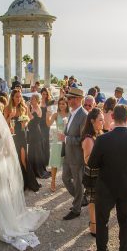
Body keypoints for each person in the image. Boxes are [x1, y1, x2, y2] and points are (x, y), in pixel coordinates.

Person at [0, 106, 49, 250]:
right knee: (2, 193)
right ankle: (5, 224)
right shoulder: (2, 132)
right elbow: (8, 152)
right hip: (0, 166)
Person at [88, 105, 127, 251]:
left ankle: (102, 249)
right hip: (126, 187)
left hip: (105, 187)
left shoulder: (102, 139)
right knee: (125, 221)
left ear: (113, 117)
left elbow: (92, 164)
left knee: (102, 221)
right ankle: (124, 249)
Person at [58, 88, 88, 220]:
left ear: (77, 99)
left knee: (78, 182)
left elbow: (83, 139)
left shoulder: (84, 115)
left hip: (77, 156)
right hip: (68, 154)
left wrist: (65, 138)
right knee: (65, 179)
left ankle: (76, 209)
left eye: (69, 98)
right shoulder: (72, 113)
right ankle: (80, 199)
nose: (67, 100)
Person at [4, 89, 41, 191]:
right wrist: (10, 117)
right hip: (12, 136)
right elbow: (2, 124)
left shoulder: (23, 107)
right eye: (17, 96)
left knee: (24, 158)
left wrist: (25, 123)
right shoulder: (7, 108)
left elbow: (29, 118)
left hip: (22, 134)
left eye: (20, 96)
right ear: (12, 97)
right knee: (15, 159)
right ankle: (17, 183)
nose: (19, 98)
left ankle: (28, 182)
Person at [81, 108, 104, 237]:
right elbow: (87, 160)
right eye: (100, 120)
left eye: (103, 119)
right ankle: (93, 226)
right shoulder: (89, 139)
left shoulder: (98, 134)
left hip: (98, 173)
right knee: (92, 201)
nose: (103, 122)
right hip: (92, 174)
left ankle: (96, 223)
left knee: (97, 199)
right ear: (92, 121)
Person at [46, 97, 70, 192]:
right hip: (57, 140)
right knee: (55, 160)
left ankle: (68, 181)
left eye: (64, 103)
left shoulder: (70, 114)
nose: (61, 105)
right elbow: (48, 124)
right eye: (60, 104)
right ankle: (53, 181)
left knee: (67, 162)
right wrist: (47, 115)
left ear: (67, 104)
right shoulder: (56, 114)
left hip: (67, 140)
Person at [27, 94, 49, 179]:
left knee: (36, 151)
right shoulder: (32, 108)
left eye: (32, 99)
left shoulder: (38, 108)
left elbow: (31, 117)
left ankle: (37, 170)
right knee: (32, 150)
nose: (31, 100)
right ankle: (32, 169)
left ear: (36, 100)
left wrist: (26, 108)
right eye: (31, 98)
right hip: (32, 131)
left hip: (36, 132)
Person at [40, 88, 55, 171]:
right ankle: (40, 159)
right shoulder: (38, 101)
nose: (45, 95)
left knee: (45, 141)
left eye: (46, 94)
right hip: (38, 123)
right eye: (43, 94)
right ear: (41, 94)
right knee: (39, 141)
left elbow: (50, 114)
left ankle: (45, 161)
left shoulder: (48, 103)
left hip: (45, 124)